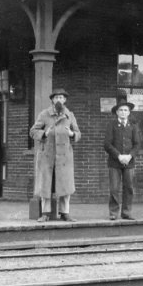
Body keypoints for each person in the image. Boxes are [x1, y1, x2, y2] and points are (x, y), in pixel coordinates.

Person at [29, 88, 81, 222]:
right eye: (57, 97)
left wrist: (72, 134)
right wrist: (44, 133)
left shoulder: (70, 115)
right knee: (46, 184)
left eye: (62, 98)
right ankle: (45, 213)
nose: (59, 100)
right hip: (47, 156)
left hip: (64, 157)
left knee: (65, 185)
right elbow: (33, 131)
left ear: (65, 100)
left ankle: (65, 213)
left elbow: (78, 133)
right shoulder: (44, 114)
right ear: (52, 100)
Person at [103, 98, 141, 221]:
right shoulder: (111, 125)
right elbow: (107, 144)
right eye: (121, 110)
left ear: (129, 112)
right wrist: (119, 156)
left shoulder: (133, 126)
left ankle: (127, 212)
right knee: (114, 188)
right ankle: (114, 213)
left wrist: (129, 156)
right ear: (117, 112)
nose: (123, 112)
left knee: (129, 187)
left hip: (129, 162)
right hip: (115, 162)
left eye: (126, 110)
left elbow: (137, 144)